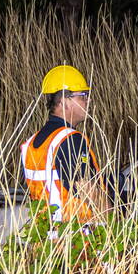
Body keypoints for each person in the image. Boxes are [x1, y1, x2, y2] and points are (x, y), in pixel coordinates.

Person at [21, 64, 110, 230]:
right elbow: (88, 190)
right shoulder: (70, 139)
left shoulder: (32, 143)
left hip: (47, 237)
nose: (88, 100)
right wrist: (113, 222)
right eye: (82, 96)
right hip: (78, 237)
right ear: (64, 102)